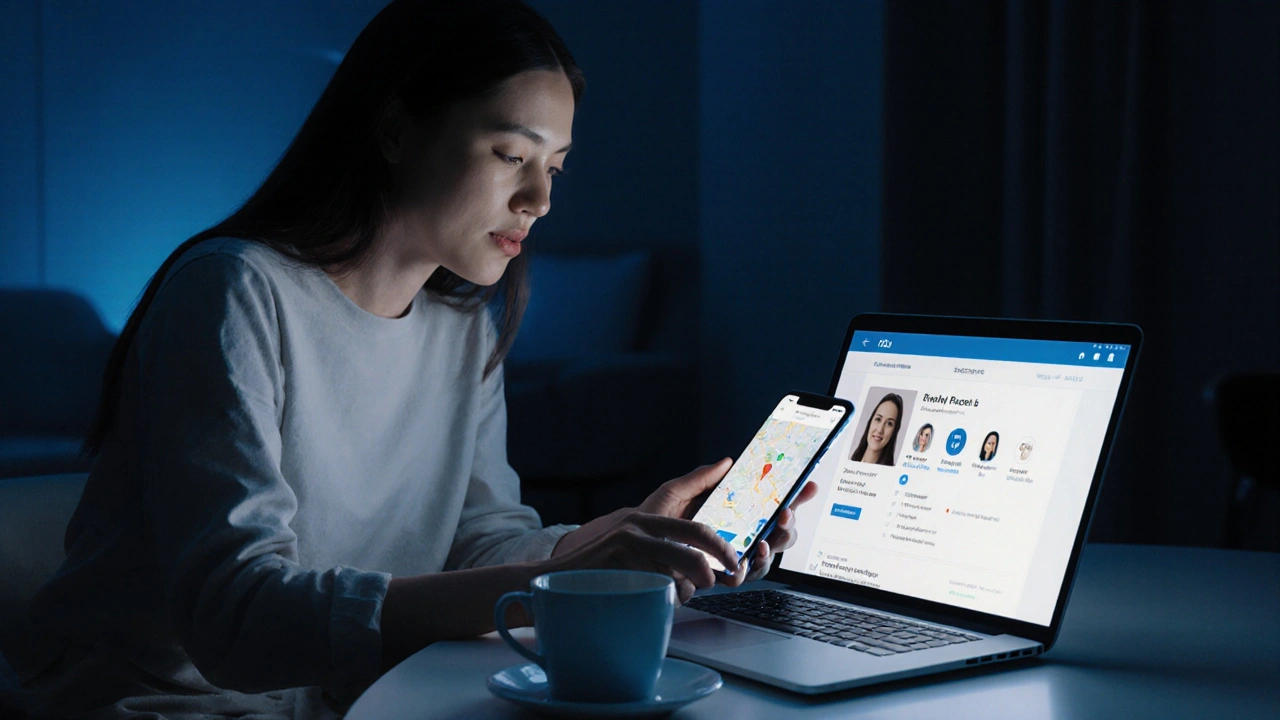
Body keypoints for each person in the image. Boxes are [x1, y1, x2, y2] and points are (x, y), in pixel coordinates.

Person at [2, 2, 816, 717]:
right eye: (510, 155)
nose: (541, 200)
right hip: (160, 704)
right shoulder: (232, 291)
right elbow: (236, 622)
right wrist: (561, 578)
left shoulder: (462, 324)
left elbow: (482, 545)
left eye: (554, 167)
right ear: (394, 130)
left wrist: (621, 542)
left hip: (342, 700)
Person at [850, 393, 903, 466]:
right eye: (878, 419)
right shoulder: (848, 462)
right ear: (870, 422)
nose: (880, 430)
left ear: (894, 431)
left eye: (889, 423)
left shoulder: (891, 474)